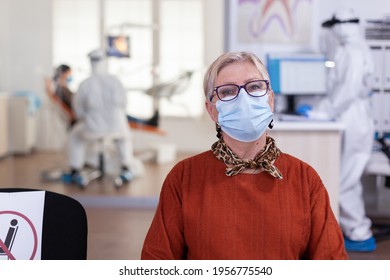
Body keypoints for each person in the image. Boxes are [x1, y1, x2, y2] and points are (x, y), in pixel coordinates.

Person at [141, 51, 347, 260]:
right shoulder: (184, 178)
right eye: (228, 91)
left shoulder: (304, 179)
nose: (244, 99)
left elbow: (331, 261)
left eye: (255, 87)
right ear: (212, 111)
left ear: (271, 100)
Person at [318, 8, 375, 252]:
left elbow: (348, 90)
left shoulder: (352, 51)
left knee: (345, 179)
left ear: (341, 25)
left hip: (355, 118)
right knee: (347, 176)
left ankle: (360, 233)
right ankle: (357, 229)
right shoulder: (352, 48)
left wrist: (323, 111)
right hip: (352, 117)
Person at [66, 49, 134, 185]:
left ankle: (75, 170)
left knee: (74, 137)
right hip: (117, 127)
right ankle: (126, 168)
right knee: (125, 138)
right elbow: (124, 104)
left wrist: (89, 117)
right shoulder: (116, 81)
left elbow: (78, 110)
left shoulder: (85, 84)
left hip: (92, 129)